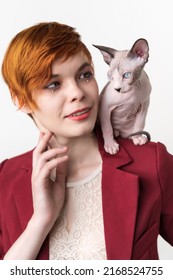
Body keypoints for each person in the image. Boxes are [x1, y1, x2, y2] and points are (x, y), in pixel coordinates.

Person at [0, 22, 173, 260]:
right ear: (21, 100)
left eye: (84, 75)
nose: (78, 93)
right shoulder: (5, 179)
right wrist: (40, 222)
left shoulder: (151, 163)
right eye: (53, 84)